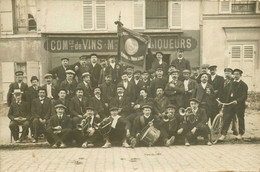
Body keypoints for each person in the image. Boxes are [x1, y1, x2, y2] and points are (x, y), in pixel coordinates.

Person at [219, 69, 248, 141]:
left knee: (240, 118)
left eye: (237, 74)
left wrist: (237, 101)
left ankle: (240, 133)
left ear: (240, 75)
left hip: (239, 105)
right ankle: (223, 134)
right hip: (230, 104)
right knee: (226, 118)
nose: (235, 75)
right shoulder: (231, 83)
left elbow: (244, 96)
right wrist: (221, 100)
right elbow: (226, 93)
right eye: (234, 74)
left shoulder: (244, 85)